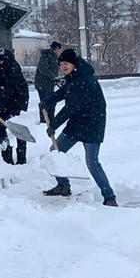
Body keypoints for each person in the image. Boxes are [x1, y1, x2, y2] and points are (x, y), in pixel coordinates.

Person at [42, 49, 117, 206]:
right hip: (77, 124)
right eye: (61, 64)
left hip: (92, 125)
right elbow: (63, 92)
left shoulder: (85, 80)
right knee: (56, 151)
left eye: (66, 63)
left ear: (74, 64)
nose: (63, 66)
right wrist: (48, 100)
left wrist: (54, 124)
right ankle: (63, 185)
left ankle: (109, 196)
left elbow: (71, 107)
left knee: (92, 162)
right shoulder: (73, 78)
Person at [35, 41, 63, 124]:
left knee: (50, 102)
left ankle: (49, 120)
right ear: (56, 49)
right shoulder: (46, 56)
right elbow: (43, 68)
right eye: (60, 49)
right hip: (43, 84)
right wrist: (53, 77)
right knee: (47, 103)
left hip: (48, 84)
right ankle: (45, 121)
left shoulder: (53, 57)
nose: (61, 51)